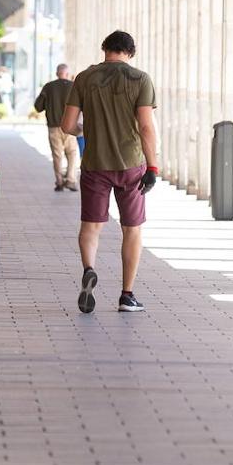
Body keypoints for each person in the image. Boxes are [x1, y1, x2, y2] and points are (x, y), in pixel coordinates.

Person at [61, 31, 158, 314]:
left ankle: (89, 268)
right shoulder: (140, 79)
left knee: (91, 226)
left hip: (95, 164)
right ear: (130, 52)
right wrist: (152, 167)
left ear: (105, 49)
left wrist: (87, 130)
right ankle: (127, 295)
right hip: (131, 165)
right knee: (132, 229)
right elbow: (146, 127)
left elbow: (67, 125)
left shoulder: (84, 78)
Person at [35, 63, 79, 191]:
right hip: (70, 126)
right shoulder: (73, 86)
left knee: (57, 155)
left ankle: (59, 181)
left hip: (54, 127)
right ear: (67, 74)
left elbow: (38, 107)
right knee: (72, 153)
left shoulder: (48, 87)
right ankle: (71, 180)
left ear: (56, 73)